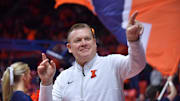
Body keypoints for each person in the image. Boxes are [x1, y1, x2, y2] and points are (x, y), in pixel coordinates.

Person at [38, 11, 146, 101]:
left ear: (94, 43)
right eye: (78, 40)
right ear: (69, 48)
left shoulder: (112, 63)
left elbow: (138, 64)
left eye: (87, 38)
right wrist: (46, 83)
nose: (84, 43)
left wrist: (133, 40)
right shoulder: (63, 78)